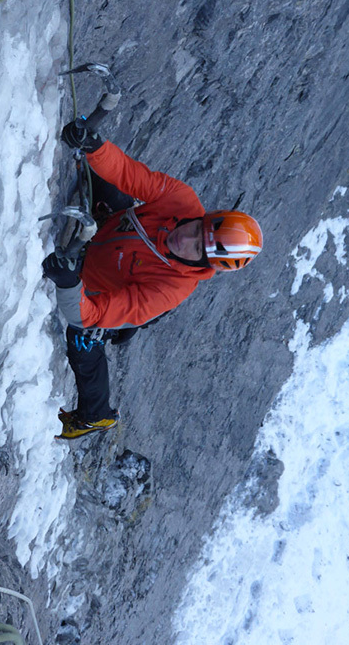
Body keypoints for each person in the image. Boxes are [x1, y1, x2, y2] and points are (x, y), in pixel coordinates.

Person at [42, 120, 263, 439]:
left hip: (107, 286)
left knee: (83, 338)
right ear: (202, 216)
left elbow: (88, 314)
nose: (184, 239)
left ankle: (95, 415)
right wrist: (95, 146)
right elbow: (131, 175)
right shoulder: (182, 201)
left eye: (197, 248)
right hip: (118, 235)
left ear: (206, 263)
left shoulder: (169, 290)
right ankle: (127, 318)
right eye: (195, 229)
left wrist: (67, 283)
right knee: (101, 176)